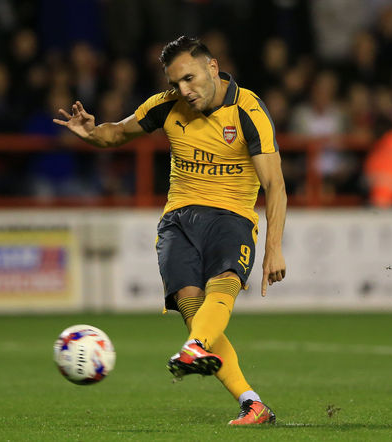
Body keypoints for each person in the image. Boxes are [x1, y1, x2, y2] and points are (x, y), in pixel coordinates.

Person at [54, 36, 287, 425]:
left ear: (213, 67)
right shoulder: (167, 105)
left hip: (231, 215)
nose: (184, 90)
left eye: (190, 78)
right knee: (191, 306)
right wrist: (92, 133)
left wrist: (274, 248)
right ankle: (253, 403)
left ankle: (195, 347)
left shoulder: (248, 110)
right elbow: (117, 133)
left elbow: (275, 185)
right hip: (178, 219)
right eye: (176, 82)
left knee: (223, 282)